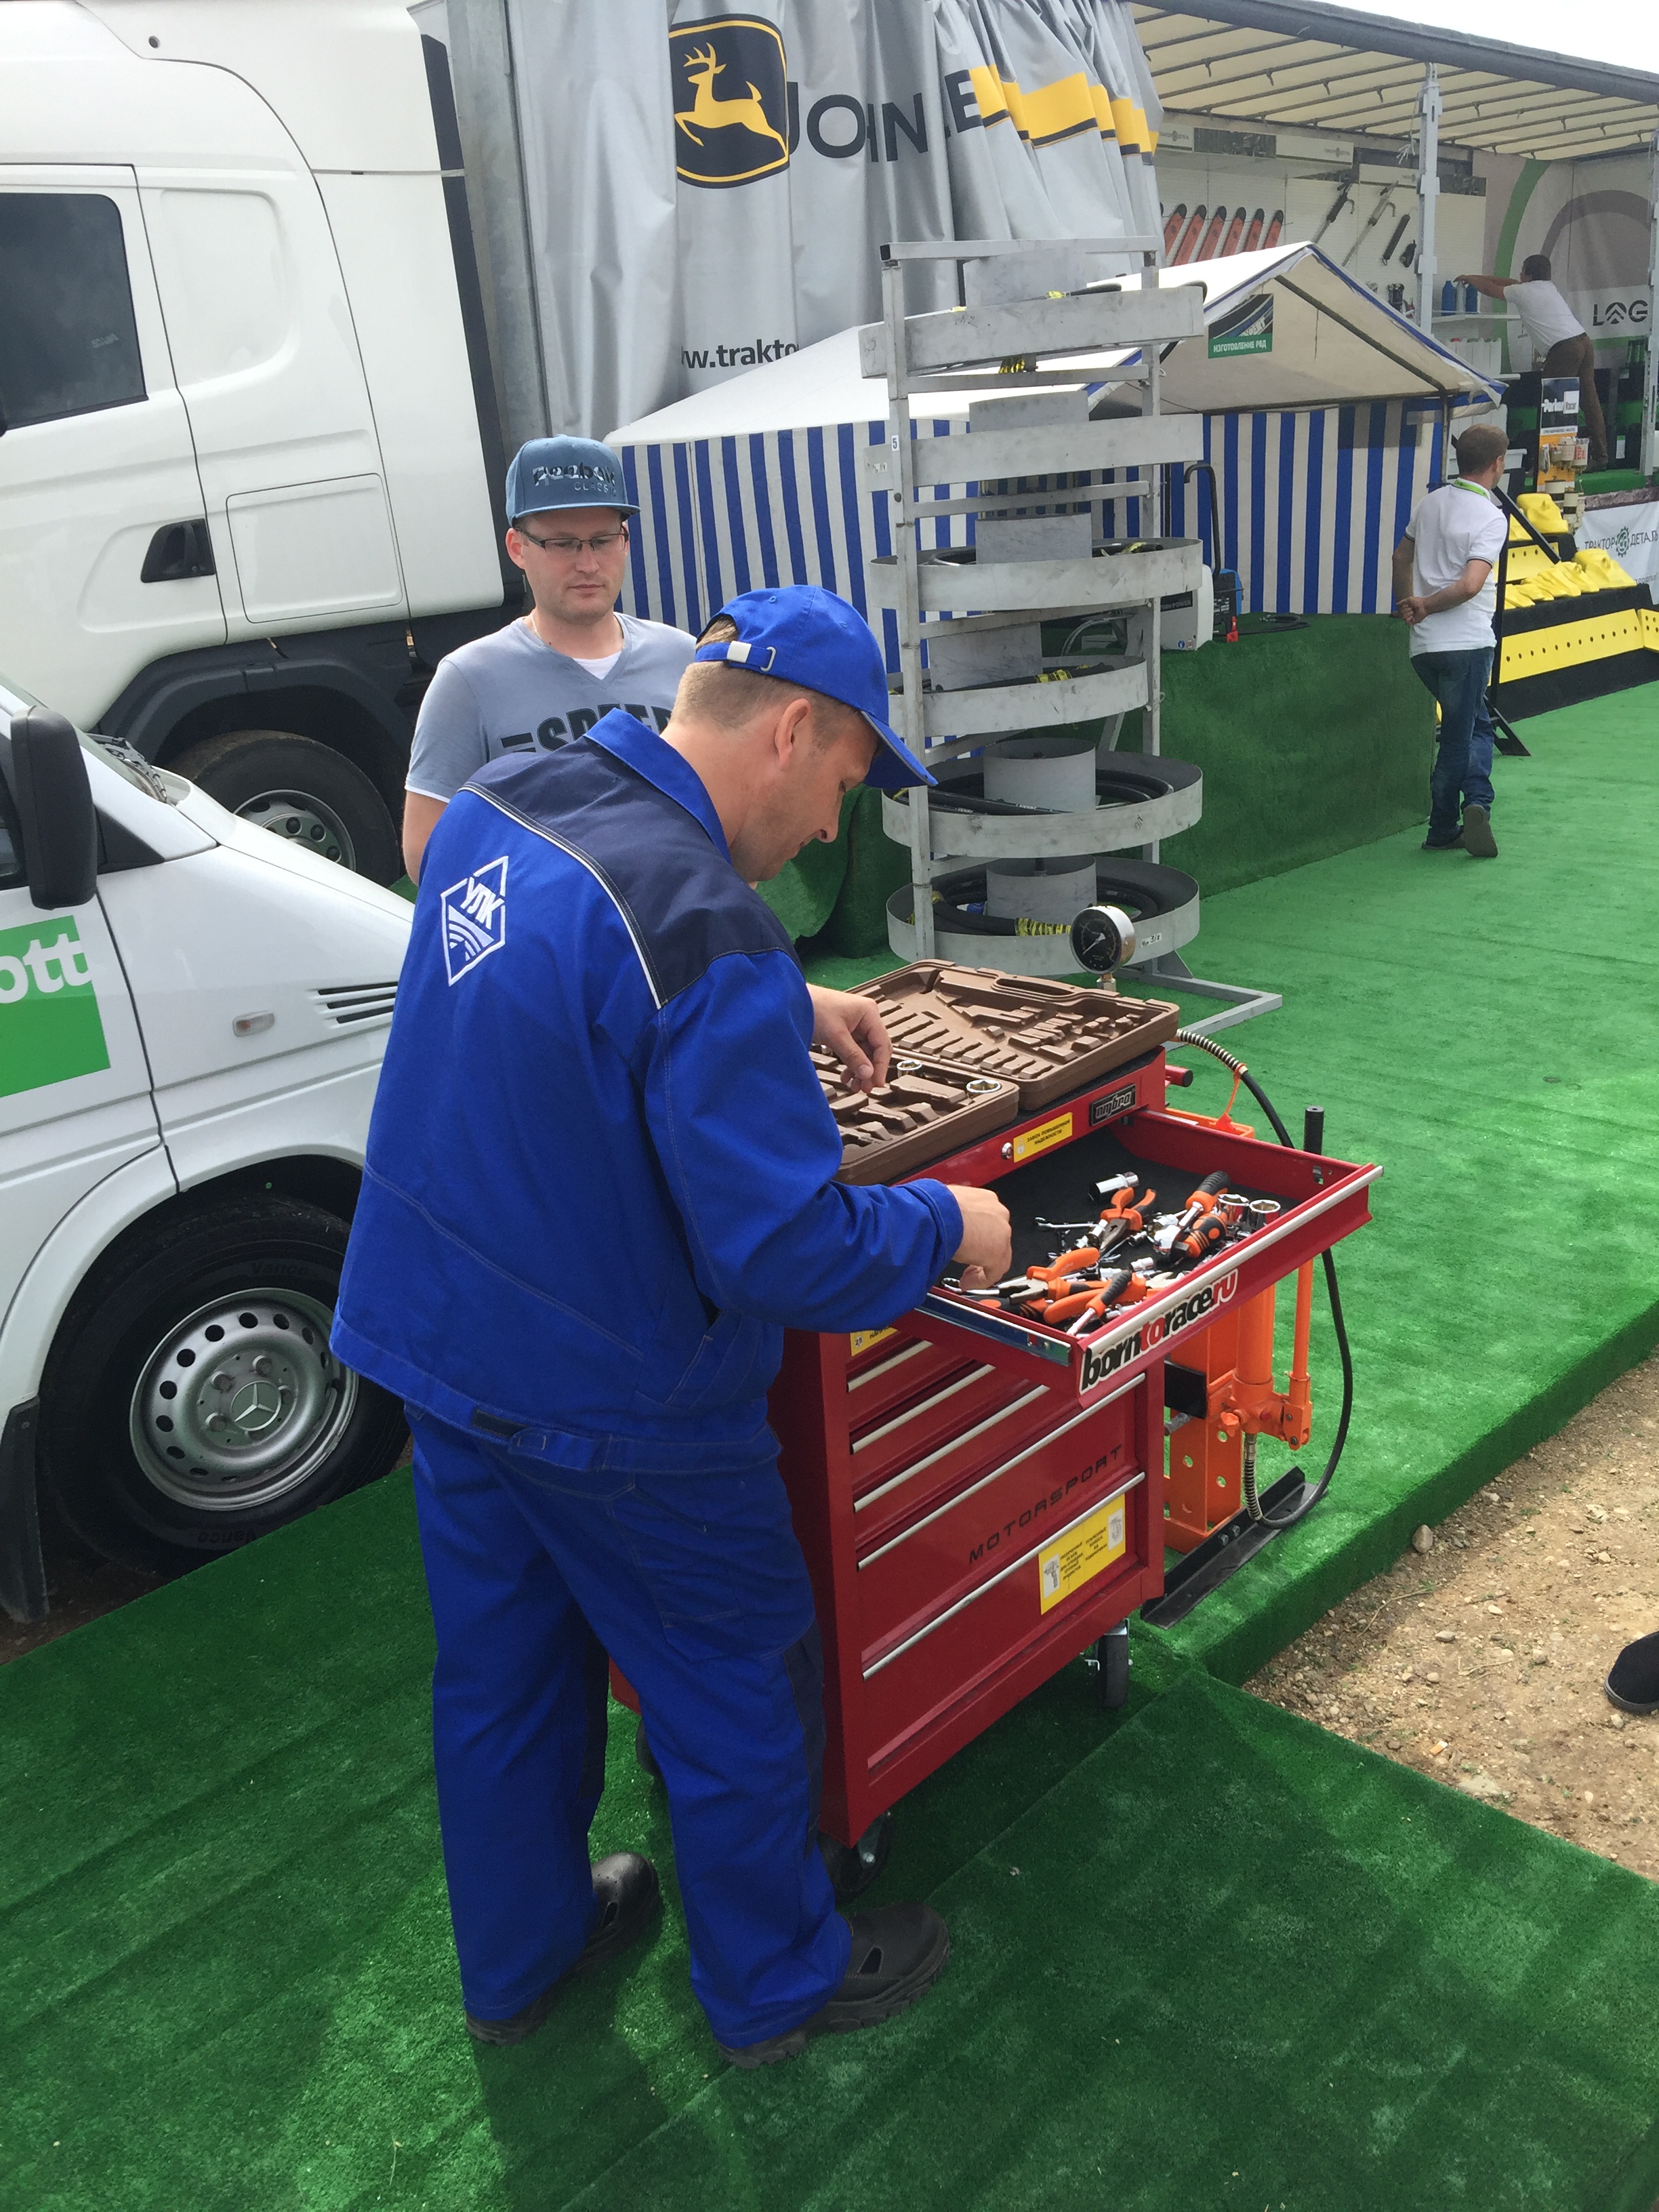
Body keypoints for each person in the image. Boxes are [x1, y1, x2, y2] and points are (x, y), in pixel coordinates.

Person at [331, 583, 1012, 2068]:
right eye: (844, 783)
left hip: (436, 1332)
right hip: (616, 1394)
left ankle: (520, 1957)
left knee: (505, 1677)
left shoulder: (508, 803)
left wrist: (782, 999)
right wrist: (948, 1225)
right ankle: (774, 1980)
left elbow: (562, 984)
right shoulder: (706, 928)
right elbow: (783, 1249)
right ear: (790, 730)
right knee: (735, 1674)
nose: (830, 827)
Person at [400, 434, 695, 882]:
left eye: (602, 540)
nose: (588, 564)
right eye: (563, 544)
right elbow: (425, 852)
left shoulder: (684, 659)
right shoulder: (469, 680)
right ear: (517, 547)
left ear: (625, 541)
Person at [1392, 423, 1510, 859]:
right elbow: (1470, 586)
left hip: (1425, 647)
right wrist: (1425, 605)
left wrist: (1409, 605)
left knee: (1472, 725)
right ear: (1498, 464)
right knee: (1462, 737)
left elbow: (1400, 556)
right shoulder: (1491, 516)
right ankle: (1446, 824)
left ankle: (1476, 801)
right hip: (1467, 642)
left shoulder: (1430, 503)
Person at [1458, 255, 1607, 473]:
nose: (1519, 275)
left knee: (1552, 405)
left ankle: (1547, 464)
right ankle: (1601, 456)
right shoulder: (1547, 288)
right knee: (1590, 401)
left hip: (1563, 350)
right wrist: (1473, 277)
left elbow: (1492, 289)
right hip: (1584, 342)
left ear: (1528, 274)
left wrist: (1471, 280)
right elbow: (1509, 282)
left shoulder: (1524, 292)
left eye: (1522, 271)